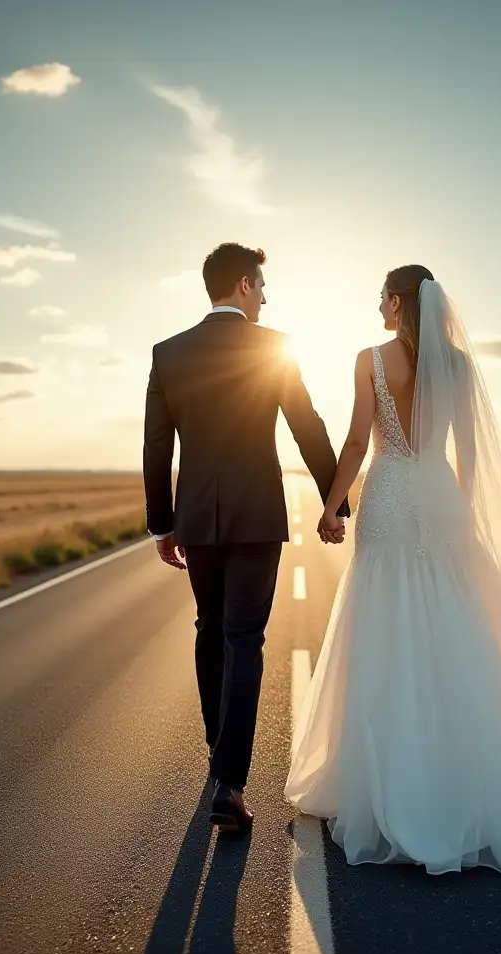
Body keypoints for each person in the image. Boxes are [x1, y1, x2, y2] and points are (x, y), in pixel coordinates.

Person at [285, 265, 501, 875]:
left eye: (381, 297)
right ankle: (480, 779)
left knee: (385, 628)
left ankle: (394, 781)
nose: (377, 307)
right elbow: (468, 454)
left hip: (388, 497)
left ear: (394, 301)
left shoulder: (369, 358)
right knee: (459, 626)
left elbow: (358, 443)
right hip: (439, 496)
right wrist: (461, 516)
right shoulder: (460, 367)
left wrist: (332, 507)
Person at [144, 242, 349, 835]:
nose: (265, 297)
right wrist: (337, 502)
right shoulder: (273, 347)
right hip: (257, 513)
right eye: (261, 286)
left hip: (199, 518)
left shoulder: (168, 353)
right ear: (241, 285)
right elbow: (306, 422)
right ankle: (231, 782)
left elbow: (159, 445)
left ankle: (219, 765)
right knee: (243, 639)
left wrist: (164, 523)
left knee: (210, 630)